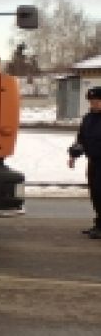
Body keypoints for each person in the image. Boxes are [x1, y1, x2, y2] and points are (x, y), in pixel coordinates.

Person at [68, 85, 101, 238]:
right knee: (95, 194)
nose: (94, 104)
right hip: (93, 162)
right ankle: (99, 224)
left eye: (97, 101)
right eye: (92, 101)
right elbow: (81, 139)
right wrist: (74, 154)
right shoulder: (88, 118)